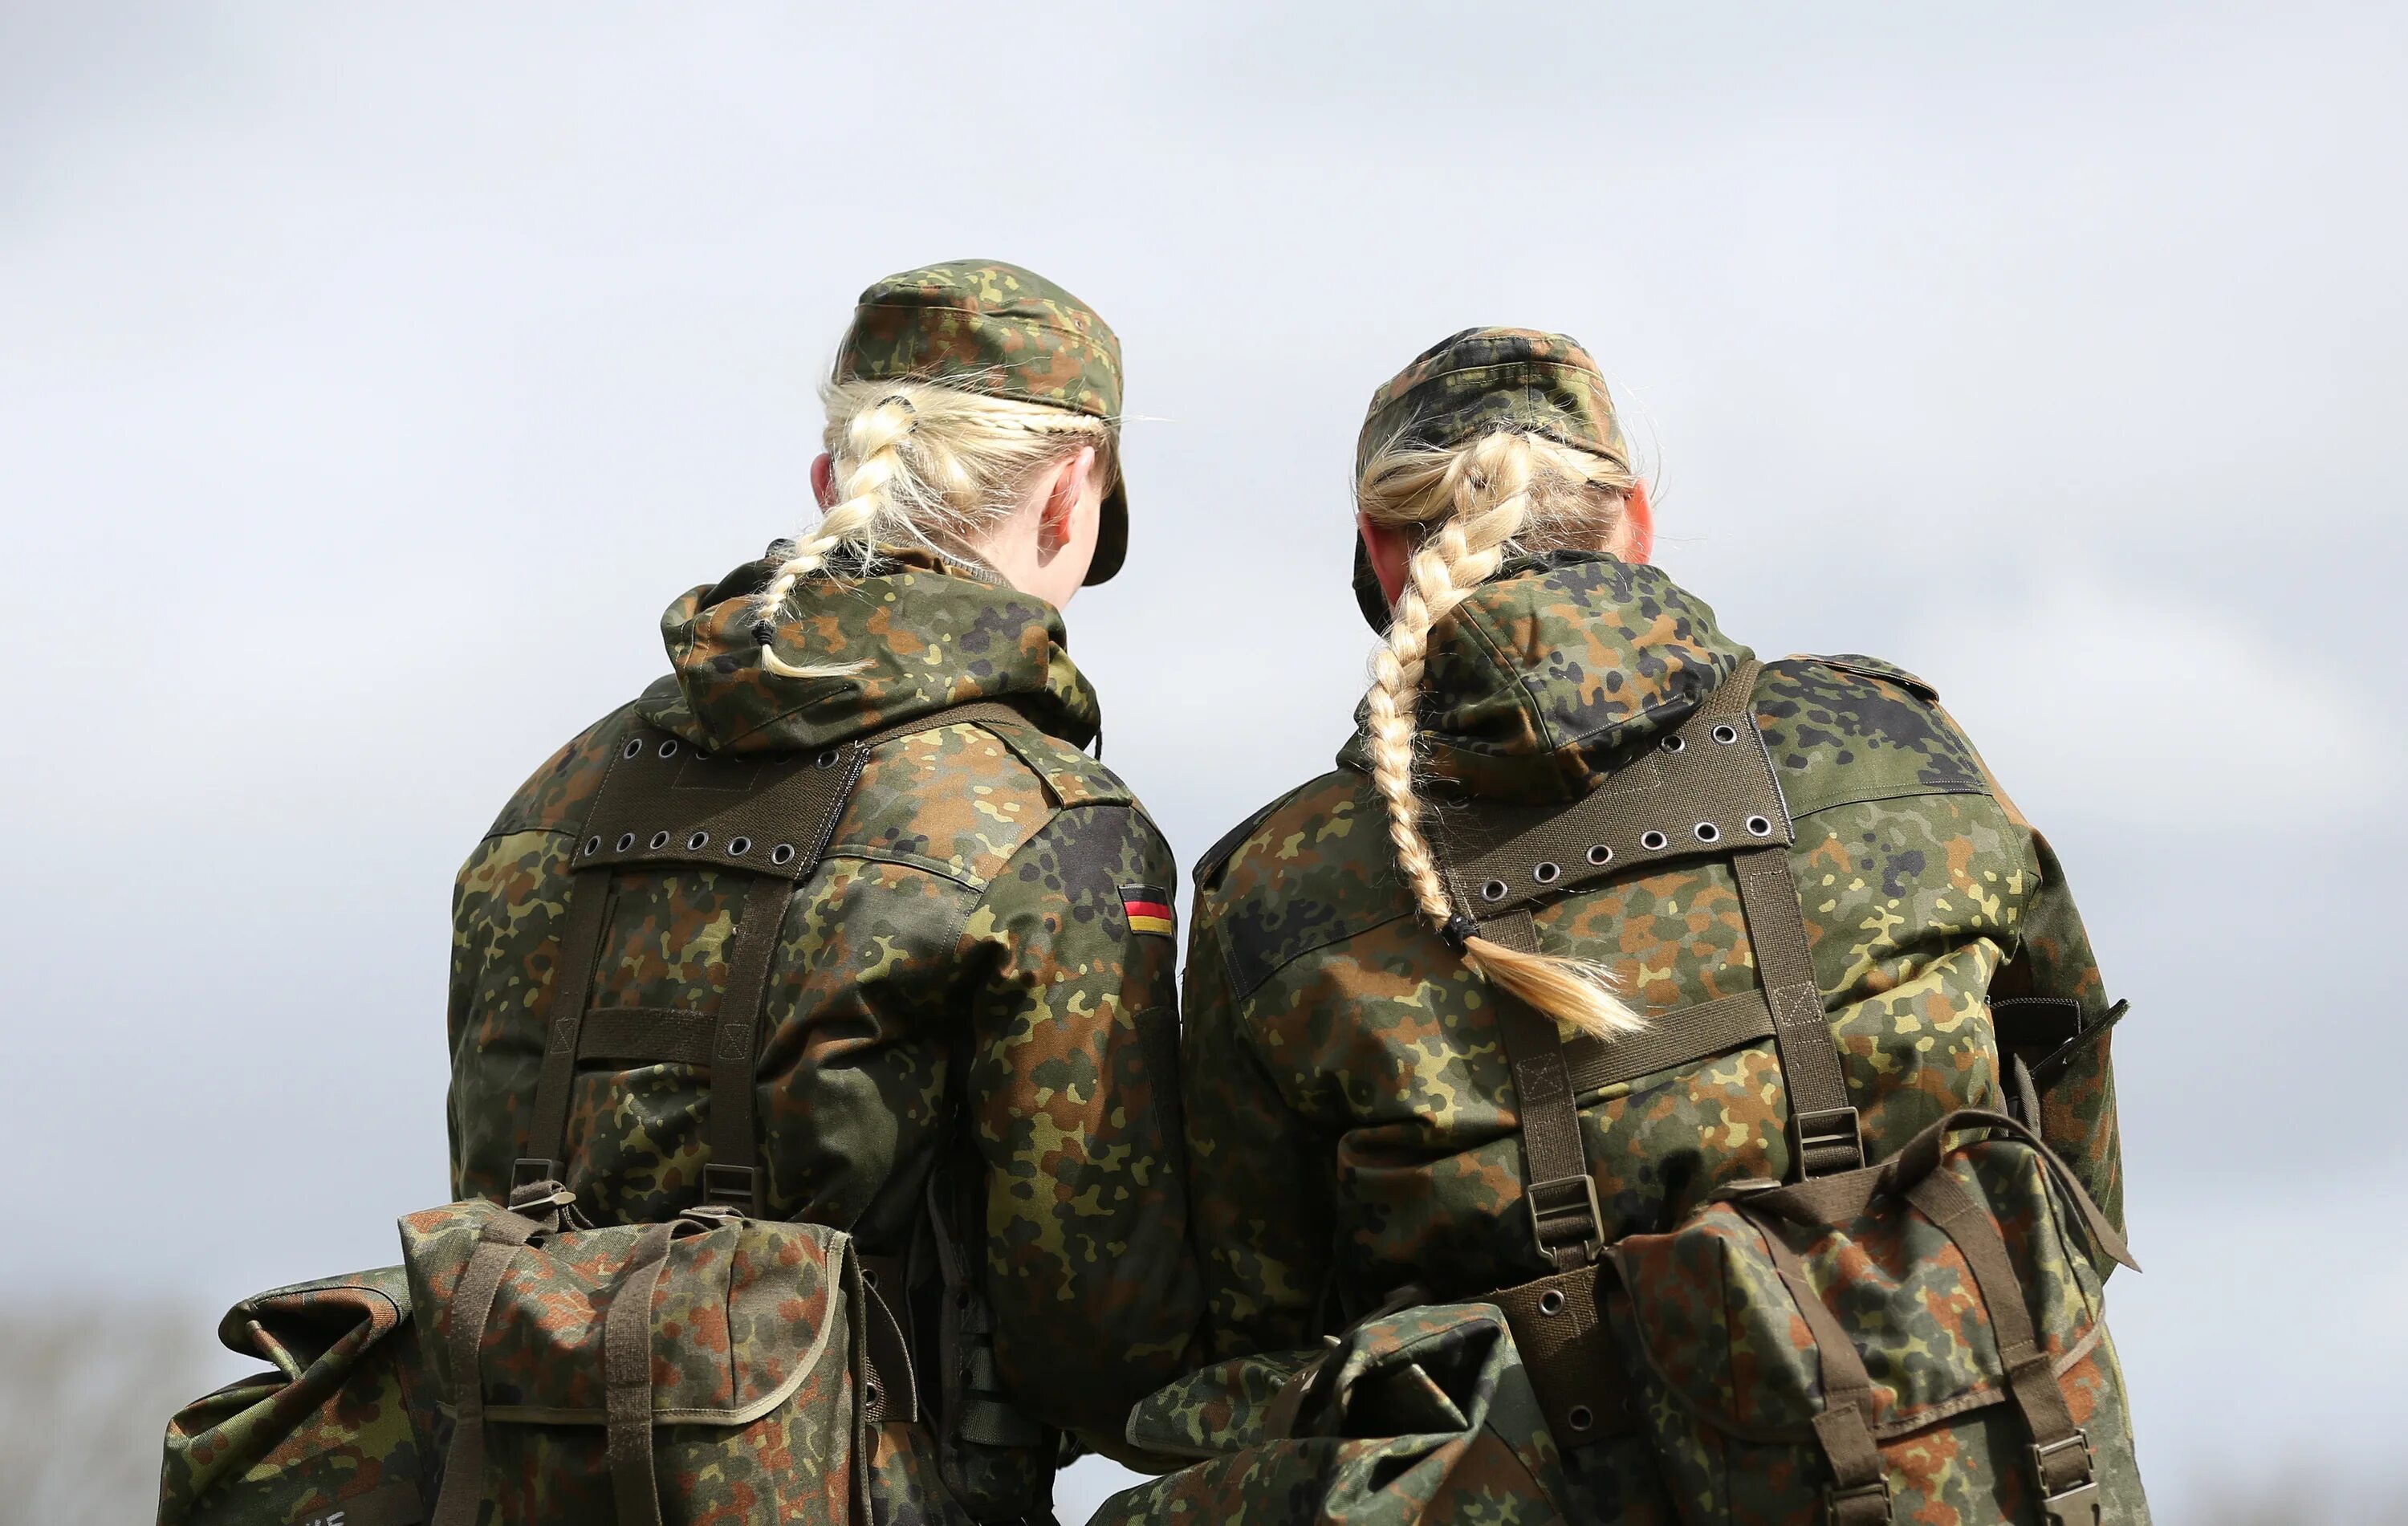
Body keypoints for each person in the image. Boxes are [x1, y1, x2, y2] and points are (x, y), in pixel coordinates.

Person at [1158, 328, 2145, 1522]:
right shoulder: (1893, 741)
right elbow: (2069, 1136)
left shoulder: (1275, 892)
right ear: (1634, 515)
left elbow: (1265, 1354)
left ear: (1380, 549)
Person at [444, 260, 1198, 1519]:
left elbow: (493, 1197)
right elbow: (1102, 1345)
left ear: (829, 482)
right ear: (1071, 496)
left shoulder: (549, 803)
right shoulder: (1052, 824)